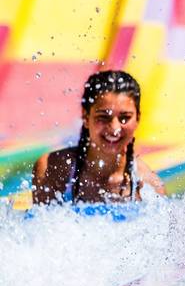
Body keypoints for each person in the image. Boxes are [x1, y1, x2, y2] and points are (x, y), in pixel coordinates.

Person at [32, 70, 165, 204]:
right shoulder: (53, 169)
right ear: (85, 116)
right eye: (103, 117)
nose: (115, 128)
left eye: (125, 118)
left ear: (138, 118)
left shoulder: (149, 186)